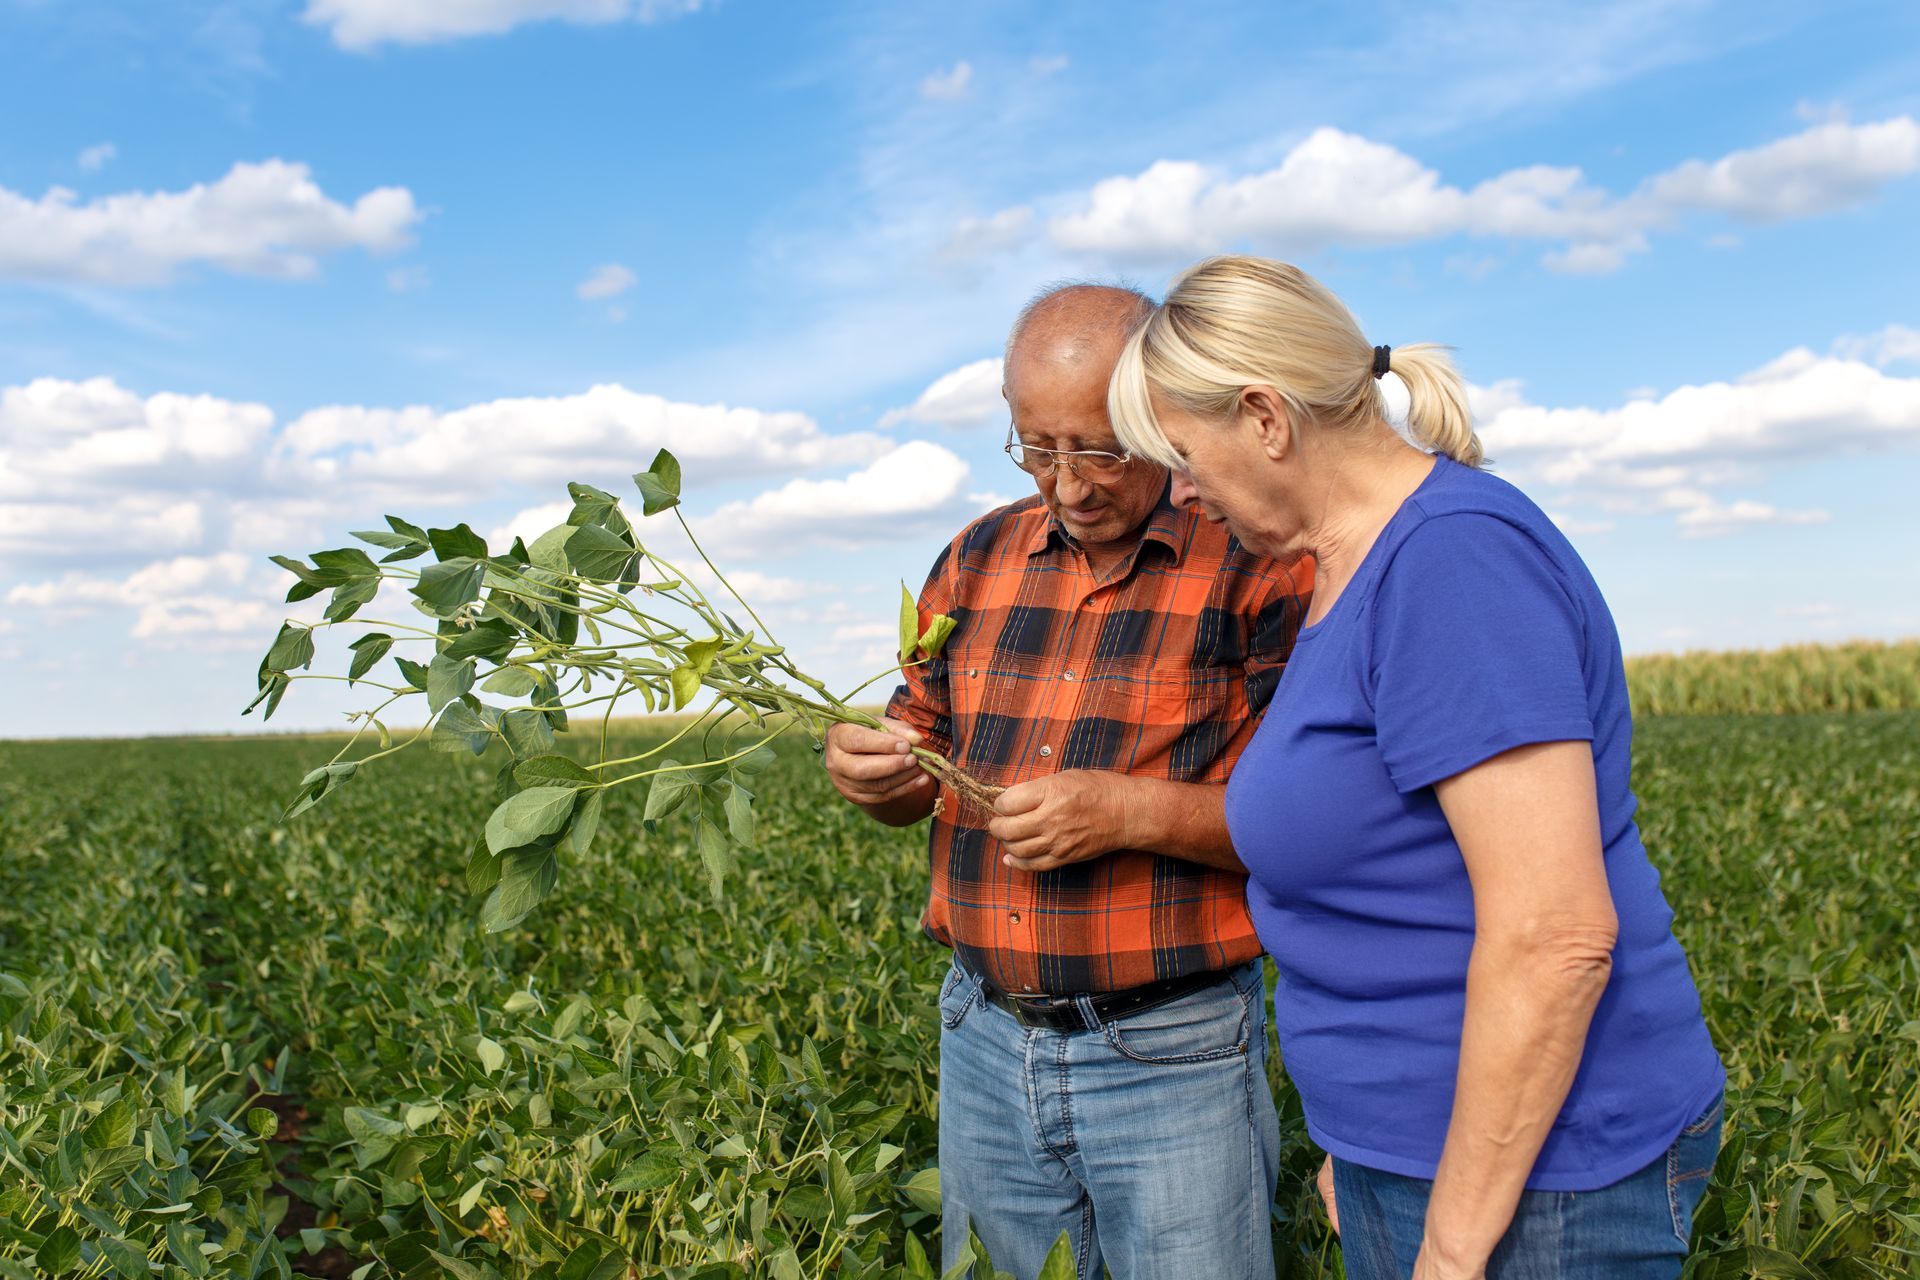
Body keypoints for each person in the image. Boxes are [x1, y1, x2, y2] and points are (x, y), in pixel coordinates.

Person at [1106, 255, 1726, 1280]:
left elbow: (1554, 936)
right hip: (1423, 1155)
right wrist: (1367, 1142)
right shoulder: (1350, 564)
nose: (1179, 492)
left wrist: (1451, 1241)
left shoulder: (1451, 562)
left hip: (1542, 1183)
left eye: (1181, 454)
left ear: (1265, 417)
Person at [822, 283, 1312, 1280]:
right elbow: (917, 745)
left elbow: (1314, 822)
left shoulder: (1256, 562)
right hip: (984, 1036)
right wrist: (877, 772)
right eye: (1036, 446)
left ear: (1162, 414)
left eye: (1099, 448)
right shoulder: (975, 556)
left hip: (1170, 1045)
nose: (1070, 483)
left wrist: (1127, 810)